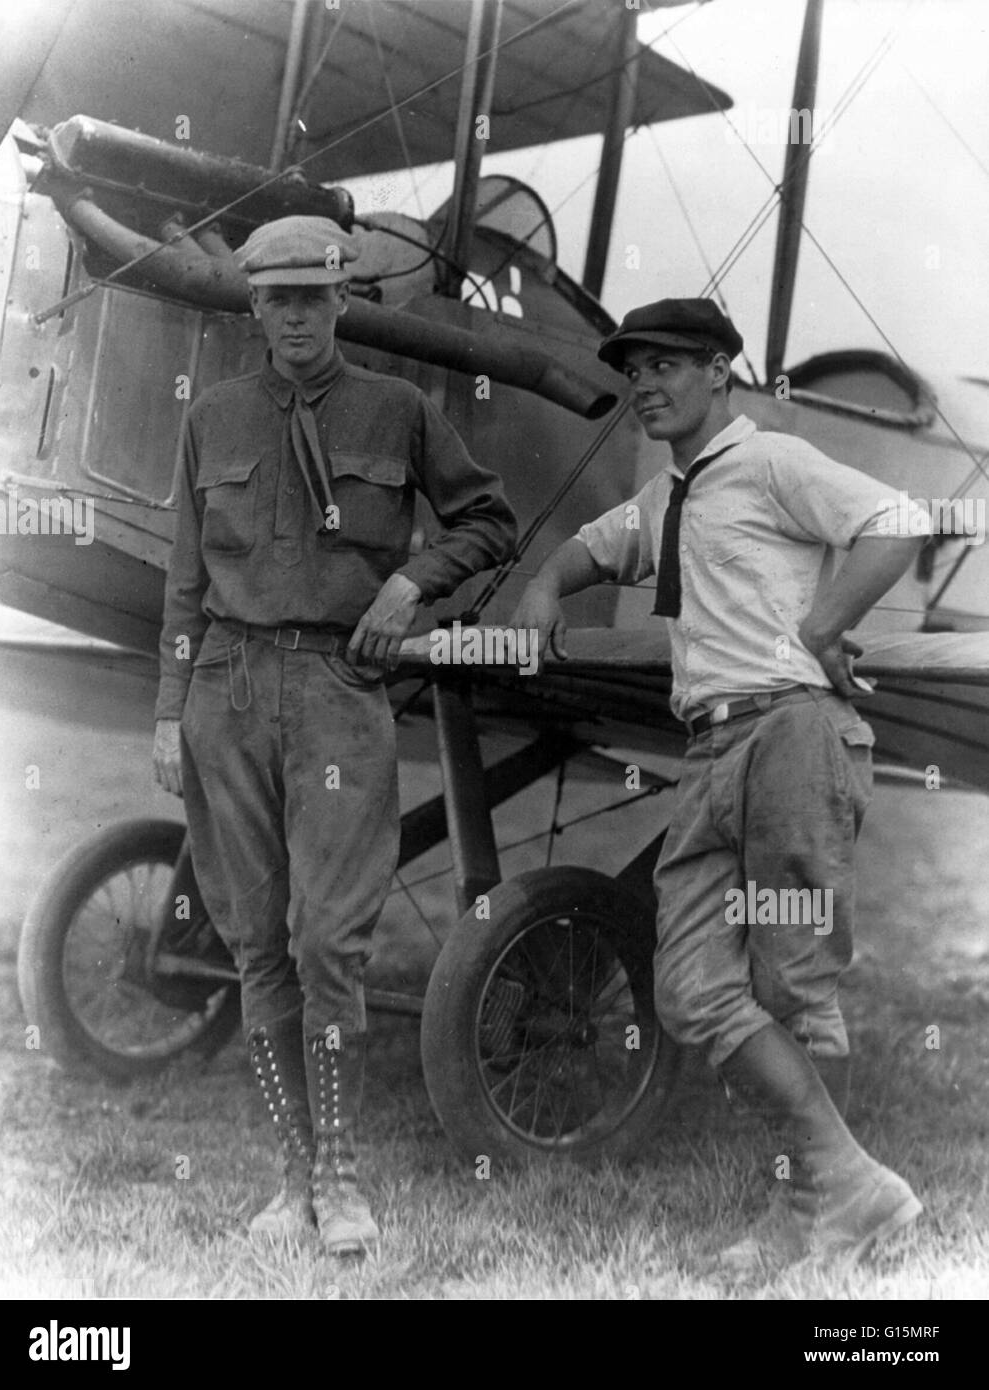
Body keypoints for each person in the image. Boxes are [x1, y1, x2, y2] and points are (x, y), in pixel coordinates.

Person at [511, 297, 928, 1273]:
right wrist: (541, 587)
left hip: (790, 738)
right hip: (707, 752)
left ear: (719, 373)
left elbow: (896, 522)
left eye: (665, 365)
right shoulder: (668, 493)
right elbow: (590, 547)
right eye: (633, 369)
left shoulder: (772, 462)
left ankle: (805, 1215)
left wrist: (820, 631)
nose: (645, 384)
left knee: (793, 988)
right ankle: (852, 1183)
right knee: (690, 986)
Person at [152, 215, 517, 1255]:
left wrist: (410, 584)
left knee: (328, 937)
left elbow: (486, 519)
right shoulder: (211, 417)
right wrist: (165, 715)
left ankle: (343, 1175)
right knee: (253, 935)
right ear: (253, 308)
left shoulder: (397, 409)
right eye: (276, 299)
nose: (296, 316)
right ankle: (288, 1177)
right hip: (224, 684)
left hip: (337, 688)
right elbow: (182, 583)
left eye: (313, 296)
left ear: (340, 300)